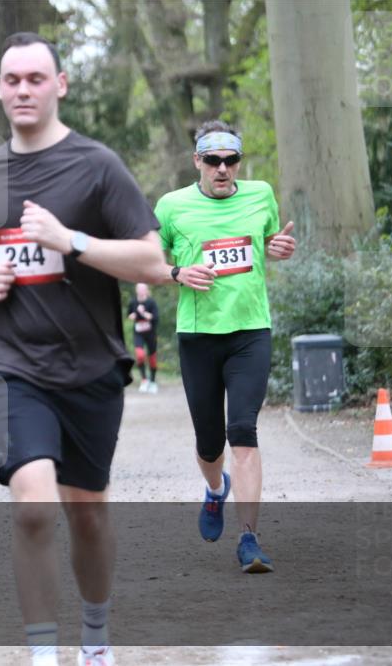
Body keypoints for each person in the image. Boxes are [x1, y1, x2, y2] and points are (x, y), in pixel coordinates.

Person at [0, 33, 167, 666]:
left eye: (35, 79)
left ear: (60, 85)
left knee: (88, 515)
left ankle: (94, 640)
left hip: (92, 366)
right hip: (13, 363)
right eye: (12, 79)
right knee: (33, 504)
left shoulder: (97, 166)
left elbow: (153, 261)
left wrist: (71, 239)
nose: (23, 89)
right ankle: (44, 653)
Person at [153, 119, 296, 573]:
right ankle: (216, 490)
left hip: (251, 331)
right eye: (212, 160)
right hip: (198, 337)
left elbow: (268, 241)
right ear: (197, 160)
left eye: (230, 160)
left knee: (244, 433)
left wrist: (278, 247)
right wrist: (177, 273)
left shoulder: (261, 195)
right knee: (209, 443)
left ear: (239, 161)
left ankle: (249, 539)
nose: (222, 169)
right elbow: (146, 261)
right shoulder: (172, 207)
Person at [126, 283, 160, 393]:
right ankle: (144, 380)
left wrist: (143, 313)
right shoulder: (133, 302)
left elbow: (155, 317)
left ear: (146, 290)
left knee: (153, 359)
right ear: (136, 290)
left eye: (143, 289)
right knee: (140, 356)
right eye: (139, 289)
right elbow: (129, 315)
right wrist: (134, 315)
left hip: (150, 333)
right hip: (138, 333)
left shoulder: (151, 302)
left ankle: (153, 382)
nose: (141, 291)